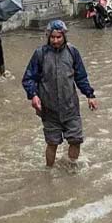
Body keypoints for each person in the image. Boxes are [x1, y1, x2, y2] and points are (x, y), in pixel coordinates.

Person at [22, 20, 98, 167]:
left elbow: (81, 77)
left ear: (64, 36)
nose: (55, 40)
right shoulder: (40, 54)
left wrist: (90, 95)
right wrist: (34, 95)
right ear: (48, 37)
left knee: (75, 140)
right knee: (52, 143)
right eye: (52, 37)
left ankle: (71, 168)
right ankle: (48, 172)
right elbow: (28, 78)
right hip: (49, 109)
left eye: (58, 37)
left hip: (70, 107)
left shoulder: (72, 52)